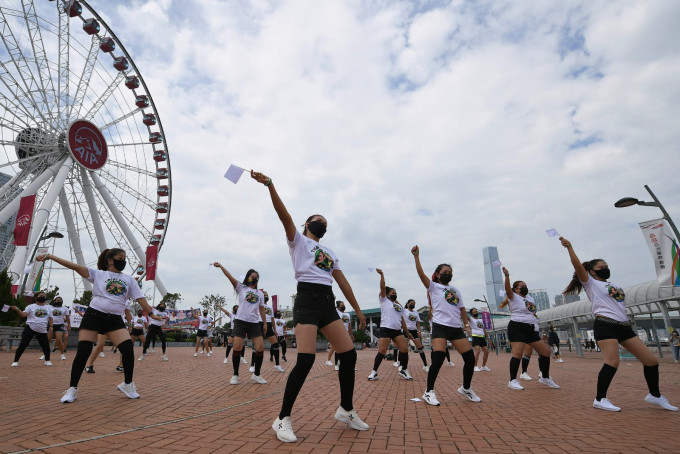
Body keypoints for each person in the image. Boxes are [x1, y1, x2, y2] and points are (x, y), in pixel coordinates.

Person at [250, 170, 368, 443]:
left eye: (325, 222)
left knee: (348, 355)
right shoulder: (298, 240)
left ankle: (346, 409)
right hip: (307, 299)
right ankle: (282, 419)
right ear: (307, 224)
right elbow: (284, 217)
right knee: (305, 359)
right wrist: (270, 185)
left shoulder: (330, 252)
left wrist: (358, 310)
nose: (322, 222)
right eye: (318, 220)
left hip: (327, 301)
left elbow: (344, 283)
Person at [560, 236, 677, 412]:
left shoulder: (612, 284)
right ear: (591, 271)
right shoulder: (590, 283)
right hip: (605, 325)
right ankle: (599, 399)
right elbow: (578, 267)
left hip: (624, 326)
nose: (605, 269)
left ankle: (655, 395)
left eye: (606, 266)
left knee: (651, 361)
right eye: (601, 267)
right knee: (612, 362)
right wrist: (569, 247)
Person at [35, 249, 152, 402]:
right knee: (83, 351)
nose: (122, 261)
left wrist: (151, 313)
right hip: (94, 316)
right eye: (119, 258)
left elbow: (140, 298)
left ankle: (127, 384)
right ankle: (72, 389)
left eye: (124, 258)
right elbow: (75, 266)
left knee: (128, 349)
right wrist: (51, 257)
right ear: (110, 260)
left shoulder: (129, 280)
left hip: (115, 319)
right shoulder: (99, 274)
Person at [411, 245, 480, 406]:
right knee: (439, 357)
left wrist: (466, 325)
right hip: (440, 326)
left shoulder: (455, 290)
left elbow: (462, 308)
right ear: (437, 274)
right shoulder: (433, 287)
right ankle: (429, 392)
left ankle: (466, 388)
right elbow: (421, 274)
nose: (448, 274)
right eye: (445, 272)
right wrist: (416, 256)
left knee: (470, 359)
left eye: (450, 272)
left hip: (456, 328)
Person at [501, 267, 559, 391]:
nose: (524, 287)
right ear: (516, 289)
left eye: (525, 285)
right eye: (522, 286)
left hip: (531, 328)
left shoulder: (530, 299)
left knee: (545, 352)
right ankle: (512, 380)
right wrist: (507, 276)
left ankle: (545, 377)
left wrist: (538, 330)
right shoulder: (513, 297)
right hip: (517, 327)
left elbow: (533, 314)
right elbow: (507, 289)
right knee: (517, 354)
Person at [213, 262, 268, 384]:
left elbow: (262, 309)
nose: (254, 278)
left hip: (254, 323)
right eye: (252, 276)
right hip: (240, 322)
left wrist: (265, 323)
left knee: (260, 348)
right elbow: (229, 277)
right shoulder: (241, 287)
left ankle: (257, 375)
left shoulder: (260, 294)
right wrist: (221, 266)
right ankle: (235, 375)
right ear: (248, 277)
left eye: (256, 277)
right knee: (237, 347)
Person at [367, 269, 414, 381]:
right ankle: (374, 372)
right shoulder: (384, 301)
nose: (395, 294)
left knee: (404, 349)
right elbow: (383, 287)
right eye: (392, 293)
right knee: (382, 351)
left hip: (397, 330)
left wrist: (407, 332)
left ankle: (403, 369)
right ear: (387, 294)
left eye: (395, 293)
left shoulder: (399, 307)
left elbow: (402, 320)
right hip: (386, 329)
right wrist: (382, 275)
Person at [10, 292, 53, 367]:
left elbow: (51, 318)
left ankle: (47, 360)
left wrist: (51, 326)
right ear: (36, 298)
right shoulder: (30, 306)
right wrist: (16, 309)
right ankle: (15, 361)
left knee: (45, 345)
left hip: (42, 329)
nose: (42, 297)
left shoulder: (49, 307)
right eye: (40, 296)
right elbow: (23, 315)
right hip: (30, 327)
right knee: (23, 344)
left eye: (44, 296)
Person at [251, 291, 283, 373]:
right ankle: (252, 365)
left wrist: (275, 330)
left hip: (268, 325)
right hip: (259, 323)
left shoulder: (270, 307)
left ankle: (277, 365)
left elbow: (272, 319)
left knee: (276, 345)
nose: (266, 296)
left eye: (266, 295)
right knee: (257, 346)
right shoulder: (257, 305)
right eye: (264, 295)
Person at [403, 299, 429, 372]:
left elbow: (418, 323)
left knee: (420, 348)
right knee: (404, 349)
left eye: (414, 303)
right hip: (406, 331)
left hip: (414, 331)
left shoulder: (416, 312)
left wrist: (419, 331)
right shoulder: (404, 311)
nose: (412, 304)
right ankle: (402, 365)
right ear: (407, 304)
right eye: (411, 303)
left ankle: (425, 365)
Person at [327, 301, 353, 371]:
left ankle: (349, 365)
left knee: (348, 350)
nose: (343, 306)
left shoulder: (347, 314)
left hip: (346, 333)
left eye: (344, 305)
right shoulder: (337, 313)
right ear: (338, 307)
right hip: (338, 333)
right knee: (337, 350)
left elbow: (349, 325)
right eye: (342, 305)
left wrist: (351, 334)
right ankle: (336, 365)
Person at [47, 296, 70, 361]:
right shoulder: (50, 307)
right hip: (51, 325)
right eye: (57, 300)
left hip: (59, 325)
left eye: (60, 301)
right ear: (55, 301)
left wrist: (69, 325)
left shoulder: (65, 309)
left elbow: (67, 317)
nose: (58, 302)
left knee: (59, 340)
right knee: (48, 339)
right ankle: (46, 353)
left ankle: (62, 354)